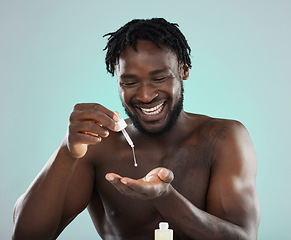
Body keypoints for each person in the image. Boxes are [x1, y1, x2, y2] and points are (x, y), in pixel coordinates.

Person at [12, 18, 260, 240]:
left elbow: (242, 237)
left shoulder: (223, 138)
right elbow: (25, 236)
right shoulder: (98, 145)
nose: (145, 95)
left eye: (159, 78)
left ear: (183, 70)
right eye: (130, 82)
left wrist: (165, 198)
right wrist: (67, 152)